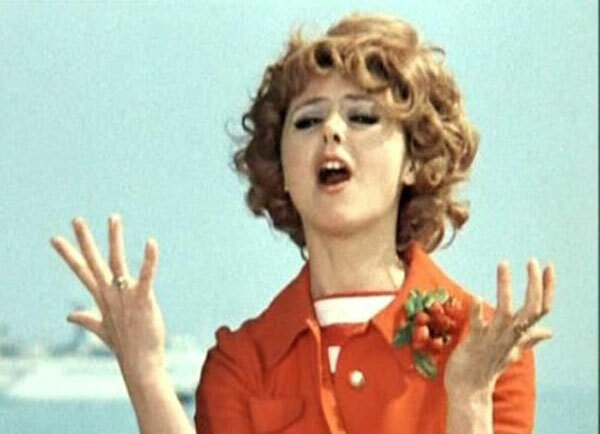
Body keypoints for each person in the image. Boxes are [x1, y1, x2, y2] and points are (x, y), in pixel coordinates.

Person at [50, 13, 555, 434]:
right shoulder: (241, 362)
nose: (331, 130)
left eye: (362, 117)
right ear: (282, 169)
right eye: (308, 121)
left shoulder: (488, 347)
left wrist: (469, 399)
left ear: (415, 160)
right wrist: (144, 372)